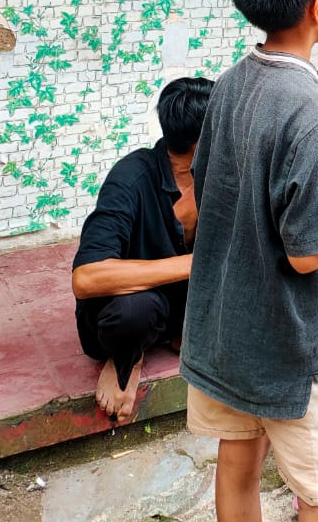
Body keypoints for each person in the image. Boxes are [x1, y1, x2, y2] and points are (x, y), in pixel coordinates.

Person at [181, 0, 318, 522]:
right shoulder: (312, 108)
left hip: (228, 331)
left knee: (238, 464)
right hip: (295, 346)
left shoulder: (231, 83)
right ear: (317, 8)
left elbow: (216, 190)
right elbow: (307, 253)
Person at [71, 75, 213, 422]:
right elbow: (86, 278)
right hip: (135, 307)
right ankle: (128, 357)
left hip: (183, 302)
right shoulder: (132, 177)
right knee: (133, 312)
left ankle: (181, 333)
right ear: (201, 142)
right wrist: (195, 263)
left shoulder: (220, 176)